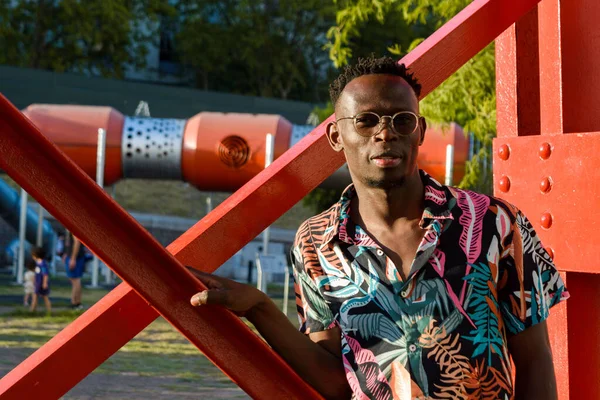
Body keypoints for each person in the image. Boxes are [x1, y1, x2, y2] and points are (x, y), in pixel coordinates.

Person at [187, 56, 568, 400]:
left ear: (419, 130)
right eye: (366, 121)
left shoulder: (494, 222)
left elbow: (535, 362)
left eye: (401, 120)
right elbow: (336, 380)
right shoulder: (315, 244)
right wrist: (259, 307)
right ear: (336, 136)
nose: (385, 134)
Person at [63, 232, 85, 309]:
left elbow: (77, 242)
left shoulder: (74, 227)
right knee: (74, 280)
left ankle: (77, 302)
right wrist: (66, 253)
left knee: (76, 279)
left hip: (76, 257)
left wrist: (73, 258)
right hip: (73, 256)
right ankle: (74, 301)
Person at [31, 246, 52, 314]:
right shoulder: (38, 263)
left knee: (45, 297)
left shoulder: (43, 264)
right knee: (35, 296)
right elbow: (37, 273)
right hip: (38, 283)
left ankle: (49, 311)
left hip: (42, 283)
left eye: (33, 255)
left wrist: (45, 283)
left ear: (36, 255)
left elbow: (45, 274)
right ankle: (32, 310)